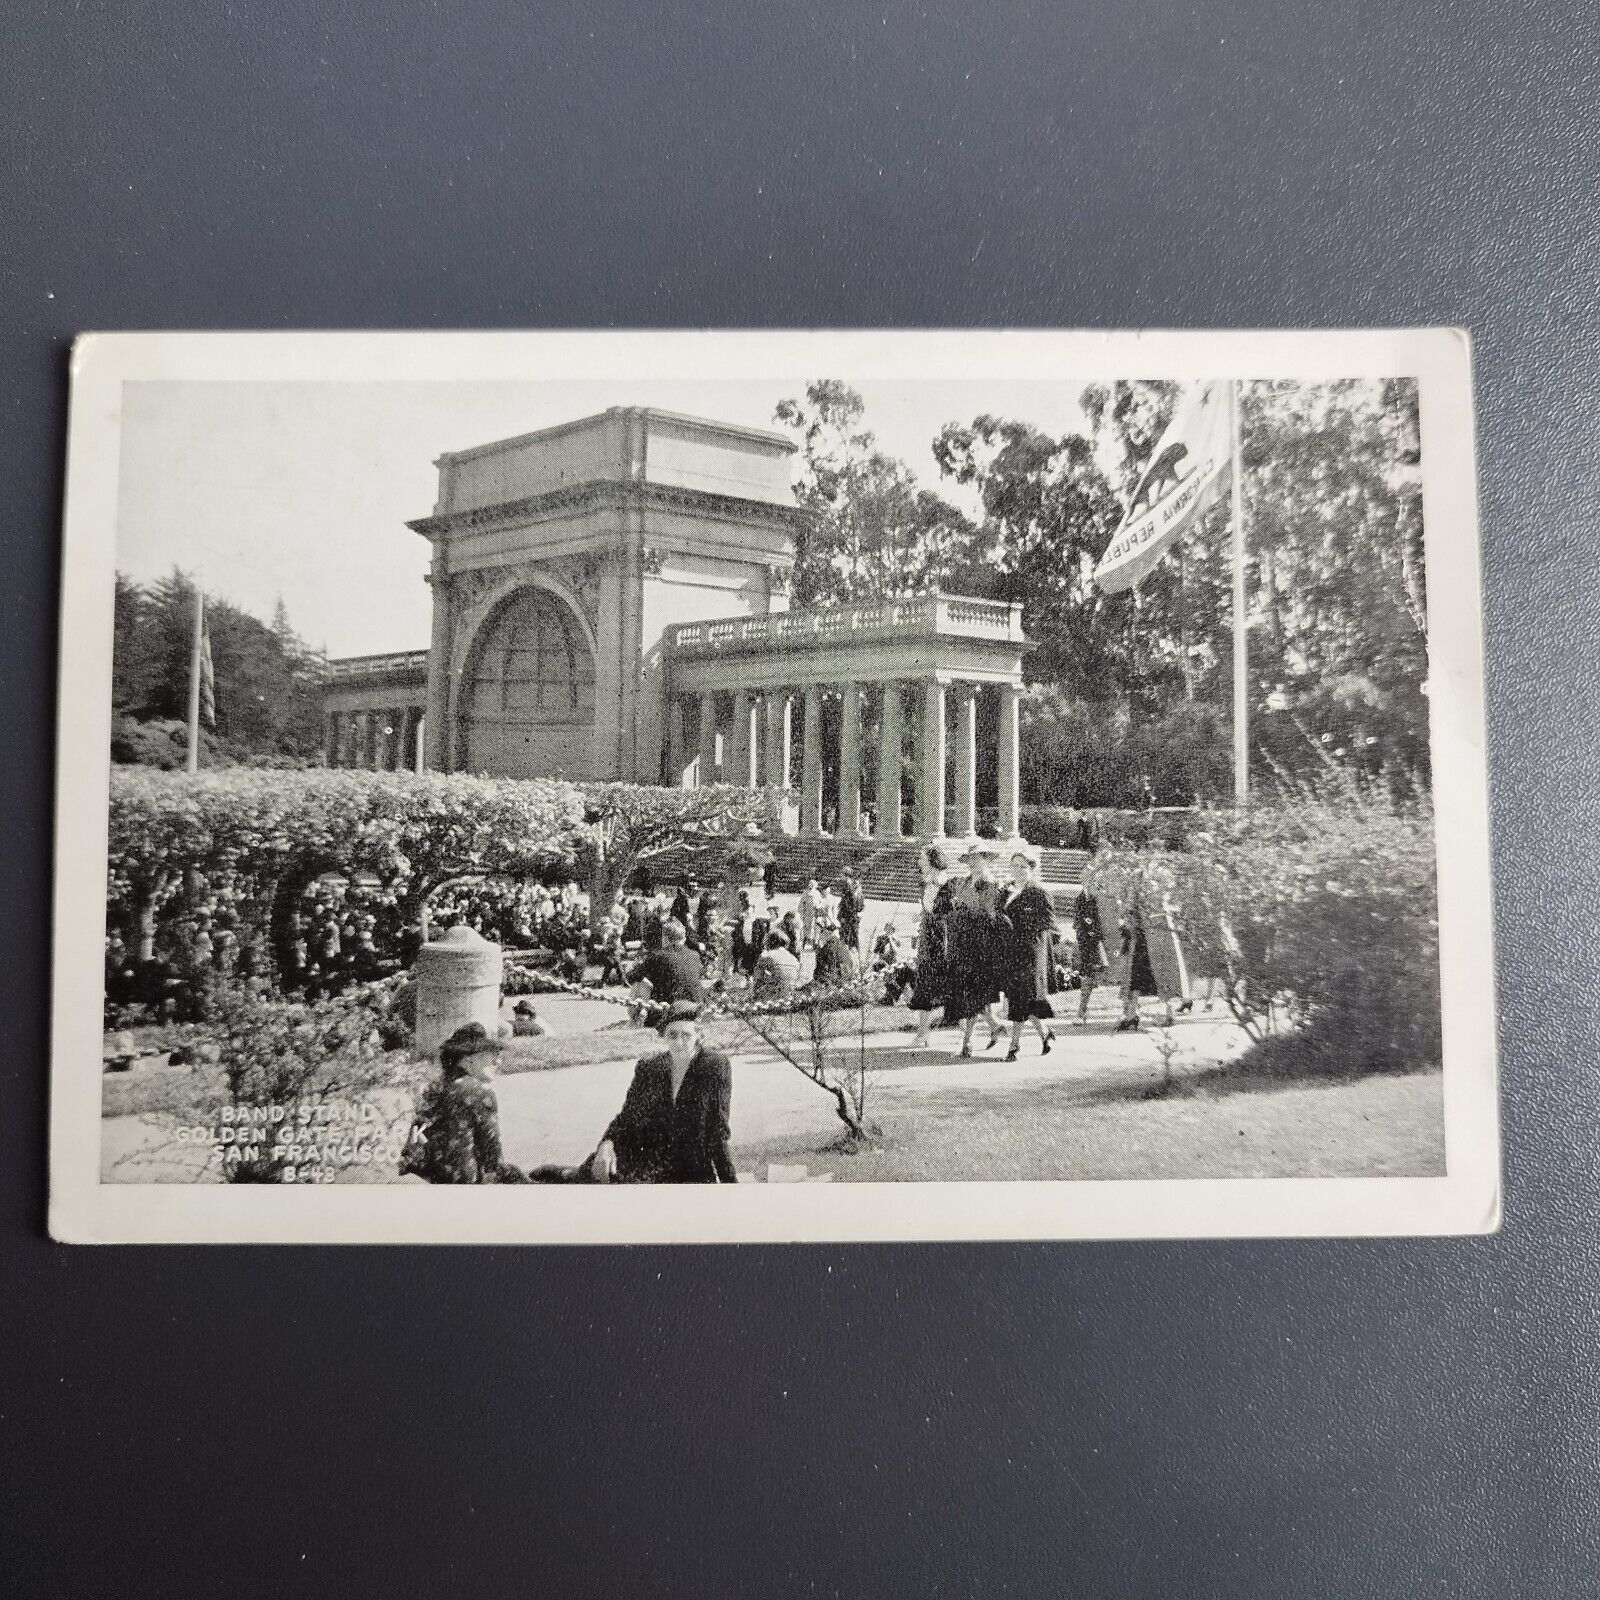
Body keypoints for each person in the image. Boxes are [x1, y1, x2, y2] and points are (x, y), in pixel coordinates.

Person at [585, 1010, 736, 1183]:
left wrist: (730, 1185)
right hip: (648, 1165)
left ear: (698, 1035)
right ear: (664, 1036)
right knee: (590, 1179)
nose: (679, 1042)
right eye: (672, 1035)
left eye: (686, 1035)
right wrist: (606, 1144)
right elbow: (627, 1117)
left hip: (690, 1172)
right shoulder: (650, 1068)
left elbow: (717, 1130)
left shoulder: (713, 1066)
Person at [400, 1022, 524, 1184]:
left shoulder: (435, 1086)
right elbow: (493, 1159)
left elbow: (416, 1141)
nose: (497, 1062)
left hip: (428, 1177)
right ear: (469, 1059)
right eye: (492, 1055)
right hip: (464, 1185)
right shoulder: (478, 1092)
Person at [944, 864, 1009, 1057]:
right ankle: (993, 1026)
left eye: (978, 858)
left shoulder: (990, 884)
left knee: (975, 993)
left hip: (981, 945)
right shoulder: (964, 882)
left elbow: (989, 914)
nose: (975, 863)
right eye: (971, 858)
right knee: (973, 993)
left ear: (986, 860)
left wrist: (965, 911)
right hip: (964, 942)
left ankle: (968, 1042)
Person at [1000, 850, 1058, 1060]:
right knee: (1024, 999)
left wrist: (1024, 928)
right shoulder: (1009, 891)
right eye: (1014, 866)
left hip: (1031, 952)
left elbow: (1049, 923)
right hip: (1012, 951)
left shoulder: (1038, 892)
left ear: (1032, 869)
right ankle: (1045, 1034)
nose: (1018, 871)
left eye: (1023, 866)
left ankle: (1014, 1046)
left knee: (1020, 997)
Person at [909, 844, 957, 1048]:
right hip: (929, 937)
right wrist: (923, 915)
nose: (919, 862)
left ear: (932, 860)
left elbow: (949, 913)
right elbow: (931, 908)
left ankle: (987, 1025)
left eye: (922, 858)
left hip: (942, 939)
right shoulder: (928, 883)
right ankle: (923, 1033)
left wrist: (932, 918)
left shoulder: (946, 884)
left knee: (951, 982)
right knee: (926, 982)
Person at [628, 918, 706, 1021]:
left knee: (639, 982)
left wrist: (647, 979)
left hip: (665, 1011)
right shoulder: (695, 955)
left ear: (665, 938)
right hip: (694, 1009)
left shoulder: (657, 955)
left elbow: (630, 976)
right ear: (684, 937)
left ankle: (638, 1016)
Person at [1071, 885, 1109, 1022]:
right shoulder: (1082, 897)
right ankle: (1082, 1011)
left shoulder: (1103, 894)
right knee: (1088, 975)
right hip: (1091, 942)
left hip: (1105, 940)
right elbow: (1080, 920)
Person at [752, 929, 802, 1000]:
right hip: (788, 997)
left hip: (770, 998)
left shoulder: (766, 956)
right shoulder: (794, 959)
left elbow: (757, 981)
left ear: (769, 942)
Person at [811, 917, 857, 988]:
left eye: (820, 932)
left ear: (826, 932)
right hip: (846, 981)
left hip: (835, 984)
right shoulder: (841, 945)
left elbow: (828, 971)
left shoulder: (829, 947)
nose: (819, 936)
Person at [836, 873, 865, 953]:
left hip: (854, 917)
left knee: (854, 932)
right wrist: (841, 916)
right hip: (848, 916)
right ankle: (846, 947)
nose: (856, 886)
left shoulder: (860, 895)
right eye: (854, 884)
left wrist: (860, 913)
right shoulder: (848, 894)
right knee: (846, 932)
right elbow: (843, 906)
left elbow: (862, 906)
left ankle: (854, 947)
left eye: (857, 885)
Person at [798, 878, 821, 948]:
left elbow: (820, 903)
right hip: (807, 913)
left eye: (812, 884)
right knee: (806, 927)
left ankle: (814, 943)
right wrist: (801, 912)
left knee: (815, 927)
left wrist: (818, 908)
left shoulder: (817, 893)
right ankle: (804, 941)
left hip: (815, 913)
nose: (811, 885)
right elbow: (801, 904)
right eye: (810, 884)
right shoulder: (805, 893)